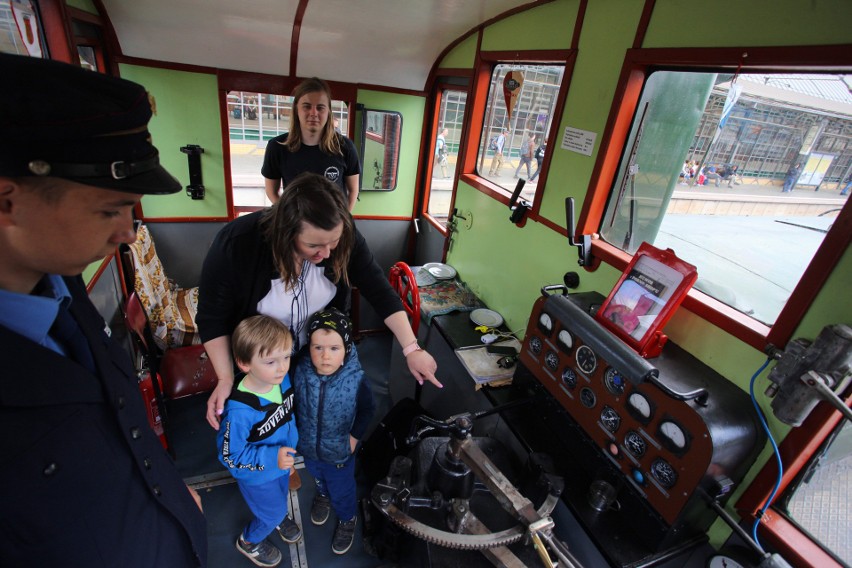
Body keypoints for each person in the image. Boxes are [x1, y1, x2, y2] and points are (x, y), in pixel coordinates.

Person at [0, 53, 207, 566]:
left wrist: (171, 497)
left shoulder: (63, 281)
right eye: (110, 210)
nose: (126, 233)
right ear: (7, 200)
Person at [197, 172, 442, 430]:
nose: (326, 253)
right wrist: (224, 378)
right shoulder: (237, 243)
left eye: (333, 243)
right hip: (264, 356)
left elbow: (379, 290)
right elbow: (212, 318)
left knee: (318, 416)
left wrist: (411, 348)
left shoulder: (344, 238)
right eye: (313, 245)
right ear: (286, 233)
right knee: (266, 425)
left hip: (316, 347)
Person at [218, 315, 301, 567]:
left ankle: (274, 516)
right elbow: (230, 456)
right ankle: (249, 540)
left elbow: (287, 416)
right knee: (272, 510)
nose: (282, 367)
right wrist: (271, 458)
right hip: (257, 476)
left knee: (279, 496)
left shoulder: (280, 380)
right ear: (244, 363)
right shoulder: (240, 411)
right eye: (271, 361)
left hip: (280, 465)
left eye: (286, 357)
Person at [293, 308, 374, 555]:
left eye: (333, 349)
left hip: (340, 451)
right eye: (318, 347)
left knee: (342, 490)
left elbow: (367, 410)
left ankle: (348, 518)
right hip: (309, 447)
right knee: (317, 476)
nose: (324, 356)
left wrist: (353, 438)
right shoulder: (299, 369)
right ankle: (322, 494)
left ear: (346, 350)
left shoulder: (356, 380)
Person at [262, 77, 360, 210]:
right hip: (295, 224)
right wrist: (289, 216)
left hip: (334, 225)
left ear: (328, 112)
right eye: (307, 106)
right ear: (297, 109)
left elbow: (353, 190)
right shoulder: (277, 147)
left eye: (320, 108)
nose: (314, 113)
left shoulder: (346, 147)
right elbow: (271, 191)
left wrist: (343, 221)